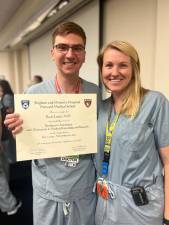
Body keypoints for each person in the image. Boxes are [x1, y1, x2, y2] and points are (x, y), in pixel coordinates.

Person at [4, 21, 100, 225]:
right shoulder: (33, 94)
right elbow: (27, 140)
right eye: (62, 47)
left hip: (83, 192)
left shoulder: (96, 93)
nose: (69, 54)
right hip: (48, 194)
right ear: (52, 52)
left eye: (77, 48)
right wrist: (19, 132)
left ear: (84, 54)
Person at [95, 40, 169, 225]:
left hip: (141, 208)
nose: (114, 72)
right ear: (101, 70)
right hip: (104, 203)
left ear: (134, 69)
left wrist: (168, 216)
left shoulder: (155, 103)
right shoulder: (101, 109)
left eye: (123, 65)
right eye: (109, 65)